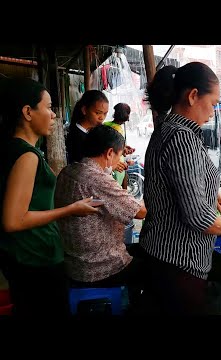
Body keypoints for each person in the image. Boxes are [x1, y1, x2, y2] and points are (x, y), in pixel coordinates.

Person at [139, 62, 221, 315]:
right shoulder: (181, 137)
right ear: (193, 95)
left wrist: (213, 192)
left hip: (159, 256)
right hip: (178, 264)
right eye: (213, 102)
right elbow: (197, 216)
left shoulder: (166, 128)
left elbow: (178, 180)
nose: (213, 111)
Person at [0, 78, 101, 317]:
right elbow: (13, 220)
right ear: (27, 112)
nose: (53, 115)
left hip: (19, 256)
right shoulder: (27, 156)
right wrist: (71, 209)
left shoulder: (10, 148)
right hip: (36, 257)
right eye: (48, 107)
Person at [54, 125, 147, 311]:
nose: (119, 160)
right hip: (99, 268)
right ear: (109, 153)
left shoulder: (68, 171)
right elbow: (140, 212)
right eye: (119, 155)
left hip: (74, 262)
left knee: (139, 252)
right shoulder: (95, 178)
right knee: (156, 269)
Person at [65, 90, 109, 164]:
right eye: (98, 113)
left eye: (105, 113)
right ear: (84, 110)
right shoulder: (75, 136)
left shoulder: (98, 132)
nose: (102, 117)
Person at [104, 103, 135, 189]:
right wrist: (125, 151)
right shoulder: (118, 129)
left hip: (109, 164)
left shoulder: (105, 124)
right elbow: (117, 149)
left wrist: (125, 147)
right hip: (117, 164)